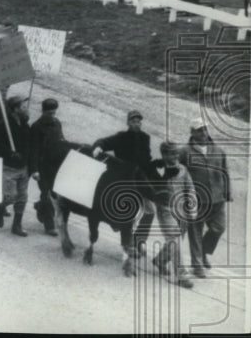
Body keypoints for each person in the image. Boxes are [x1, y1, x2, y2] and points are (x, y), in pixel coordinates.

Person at [92, 109, 154, 253]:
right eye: (133, 121)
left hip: (140, 179)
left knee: (150, 211)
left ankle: (140, 240)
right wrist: (98, 147)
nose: (137, 124)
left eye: (139, 121)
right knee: (128, 210)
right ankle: (127, 243)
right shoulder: (121, 137)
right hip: (123, 179)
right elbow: (103, 142)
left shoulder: (145, 138)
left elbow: (147, 159)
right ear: (128, 123)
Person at [180, 117, 231, 278]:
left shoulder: (218, 151)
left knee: (219, 228)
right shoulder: (184, 152)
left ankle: (202, 252)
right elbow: (179, 174)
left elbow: (225, 172)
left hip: (217, 198)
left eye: (205, 129)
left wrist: (227, 192)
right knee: (195, 232)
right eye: (199, 130)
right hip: (196, 200)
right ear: (192, 132)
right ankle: (197, 265)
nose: (203, 133)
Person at [149, 141, 196, 289]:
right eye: (172, 154)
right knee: (174, 240)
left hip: (181, 212)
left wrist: (192, 208)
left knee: (173, 241)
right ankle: (181, 276)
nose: (175, 156)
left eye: (177, 153)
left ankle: (160, 261)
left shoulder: (182, 169)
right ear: (164, 155)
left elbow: (190, 188)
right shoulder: (158, 170)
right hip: (165, 211)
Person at [0, 95, 31, 237]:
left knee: (22, 198)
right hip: (9, 166)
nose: (26, 108)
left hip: (23, 167)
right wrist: (9, 153)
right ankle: (0, 207)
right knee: (10, 196)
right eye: (22, 106)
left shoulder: (25, 123)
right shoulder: (4, 125)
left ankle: (17, 225)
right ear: (15, 109)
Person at [28, 98, 63, 236]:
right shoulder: (36, 127)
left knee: (54, 193)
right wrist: (34, 170)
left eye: (54, 113)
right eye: (49, 113)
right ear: (43, 112)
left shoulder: (57, 123)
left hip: (55, 165)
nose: (52, 116)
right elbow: (33, 150)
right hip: (42, 166)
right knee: (47, 193)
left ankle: (40, 206)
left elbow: (61, 140)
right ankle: (49, 226)